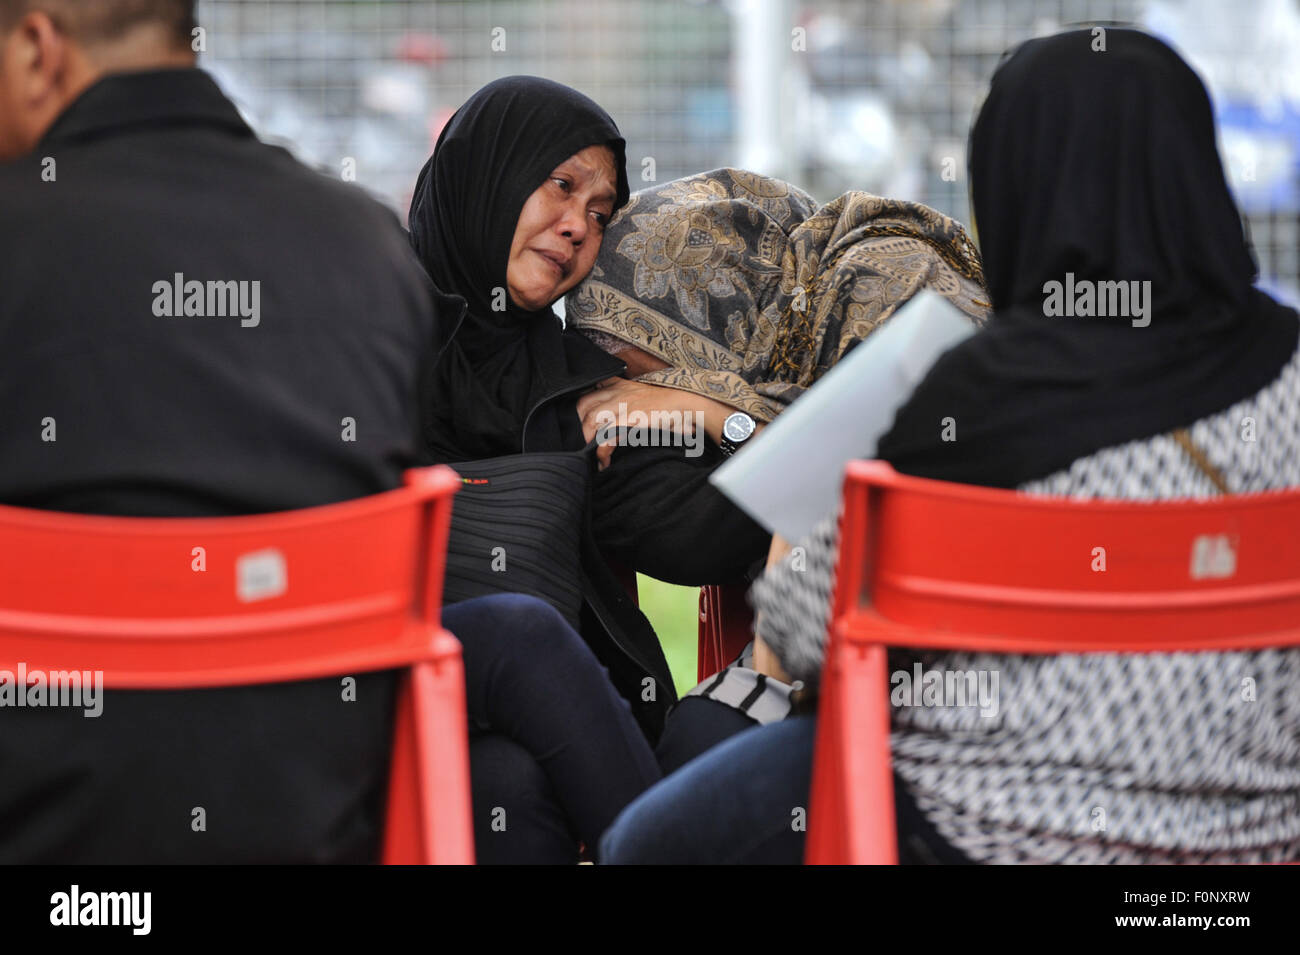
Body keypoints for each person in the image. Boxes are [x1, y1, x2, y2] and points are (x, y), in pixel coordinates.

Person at [601, 27, 1300, 865]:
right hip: (1258, 836)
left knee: (644, 842)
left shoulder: (973, 402)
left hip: (980, 828)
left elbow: (804, 623)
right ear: (1194, 172)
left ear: (1010, 189)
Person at [565, 168, 988, 772]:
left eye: (620, 353)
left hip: (953, 676)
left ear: (701, 302)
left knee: (697, 756)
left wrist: (706, 407)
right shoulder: (791, 331)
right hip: (877, 658)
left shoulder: (887, 284)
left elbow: (845, 500)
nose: (624, 391)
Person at [407, 76, 669, 862]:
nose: (576, 228)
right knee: (521, 640)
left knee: (510, 784)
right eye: (561, 186)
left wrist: (688, 405)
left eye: (599, 213)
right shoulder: (375, 334)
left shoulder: (582, 379)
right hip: (361, 682)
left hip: (507, 718)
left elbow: (708, 519)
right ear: (489, 171)